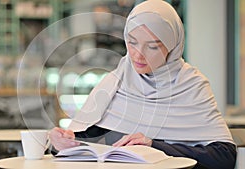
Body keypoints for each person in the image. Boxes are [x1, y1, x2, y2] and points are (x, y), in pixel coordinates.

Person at [49, 0, 236, 169]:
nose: (138, 55)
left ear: (172, 47)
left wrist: (153, 146)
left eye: (152, 46)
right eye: (132, 42)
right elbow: (91, 139)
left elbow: (224, 157)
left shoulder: (192, 86)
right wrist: (63, 143)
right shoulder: (115, 82)